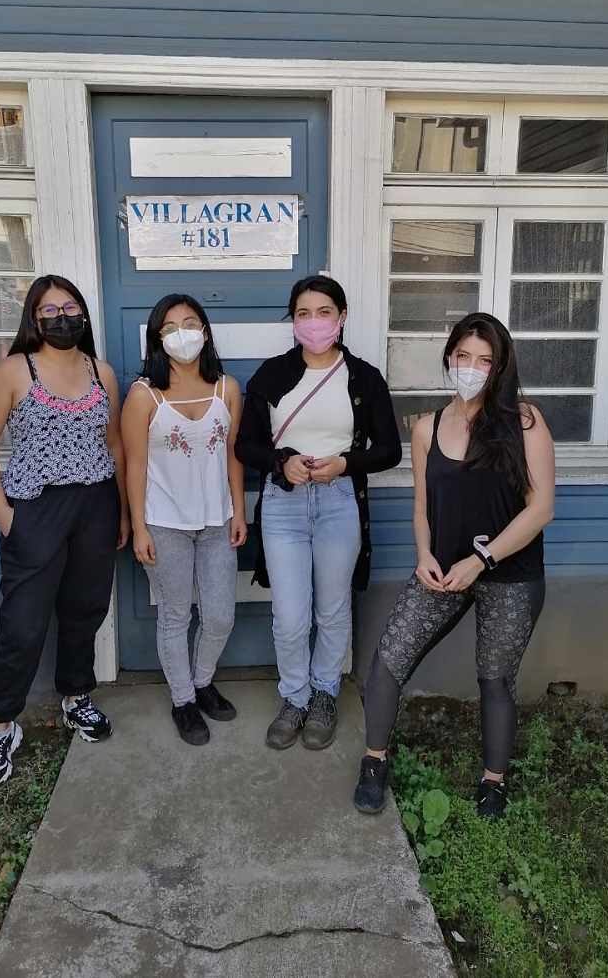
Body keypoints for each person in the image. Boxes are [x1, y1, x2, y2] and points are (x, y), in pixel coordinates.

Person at [353, 312, 555, 819]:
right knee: (387, 661)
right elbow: (422, 510)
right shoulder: (427, 428)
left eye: (485, 360)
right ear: (448, 358)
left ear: (500, 366)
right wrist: (424, 554)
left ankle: (493, 783)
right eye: (463, 356)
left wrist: (481, 559)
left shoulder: (525, 422)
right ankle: (375, 762)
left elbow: (541, 509)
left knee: (495, 678)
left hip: (509, 574)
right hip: (442, 571)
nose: (471, 368)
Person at [0, 275, 129, 787]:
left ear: (83, 313)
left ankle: (76, 696)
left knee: (85, 610)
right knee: (23, 622)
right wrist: (5, 515)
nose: (62, 317)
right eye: (50, 310)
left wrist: (122, 512)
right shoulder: (15, 370)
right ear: (34, 319)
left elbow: (114, 444)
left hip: (96, 504)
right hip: (35, 508)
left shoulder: (102, 372)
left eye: (70, 307)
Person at [235, 276, 402, 751]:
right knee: (290, 617)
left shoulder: (364, 378)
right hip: (283, 506)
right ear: (293, 321)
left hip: (338, 503)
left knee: (331, 610)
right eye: (303, 314)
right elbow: (245, 445)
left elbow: (389, 449)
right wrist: (280, 460)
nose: (313, 323)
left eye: (324, 312)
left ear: (342, 317)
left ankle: (324, 693)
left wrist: (345, 464)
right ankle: (295, 697)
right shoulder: (271, 375)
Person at [120, 294, 247, 746]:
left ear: (205, 333)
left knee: (220, 616)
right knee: (174, 616)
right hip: (164, 522)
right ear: (158, 339)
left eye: (190, 324)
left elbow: (234, 455)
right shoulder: (143, 396)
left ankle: (202, 681)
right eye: (170, 328)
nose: (182, 335)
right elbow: (134, 466)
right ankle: (183, 701)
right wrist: (139, 527)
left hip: (217, 521)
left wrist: (238, 510)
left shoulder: (227, 389)